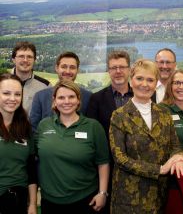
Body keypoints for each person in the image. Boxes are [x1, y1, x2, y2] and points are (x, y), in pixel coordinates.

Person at [109, 59, 183, 214]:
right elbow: (120, 158)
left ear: (156, 84)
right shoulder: (119, 116)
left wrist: (178, 158)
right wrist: (159, 169)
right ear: (131, 81)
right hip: (129, 196)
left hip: (159, 195)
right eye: (139, 78)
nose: (144, 84)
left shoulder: (164, 113)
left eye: (150, 80)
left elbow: (175, 146)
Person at [35, 80, 110, 213]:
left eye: (71, 97)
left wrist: (103, 193)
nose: (66, 101)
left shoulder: (93, 127)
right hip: (50, 201)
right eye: (61, 97)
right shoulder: (43, 125)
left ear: (78, 100)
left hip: (85, 199)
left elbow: (103, 162)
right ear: (54, 101)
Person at [0, 73, 37, 214]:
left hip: (18, 201)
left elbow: (31, 170)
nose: (12, 99)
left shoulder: (25, 127)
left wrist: (32, 204)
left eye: (17, 94)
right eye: (6, 93)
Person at [30, 51, 92, 131]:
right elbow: (33, 129)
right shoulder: (40, 97)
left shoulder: (88, 97)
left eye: (72, 67)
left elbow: (91, 128)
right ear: (57, 68)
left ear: (78, 70)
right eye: (64, 67)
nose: (68, 71)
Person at [86, 50, 133, 138]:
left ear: (129, 70)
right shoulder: (96, 99)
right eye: (114, 68)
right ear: (109, 71)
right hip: (107, 151)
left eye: (122, 67)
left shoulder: (140, 96)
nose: (118, 71)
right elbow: (92, 132)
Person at [11, 41, 50, 115]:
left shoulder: (45, 86)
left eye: (29, 57)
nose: (25, 60)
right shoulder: (2, 82)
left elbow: (47, 115)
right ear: (13, 59)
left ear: (34, 60)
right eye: (21, 56)